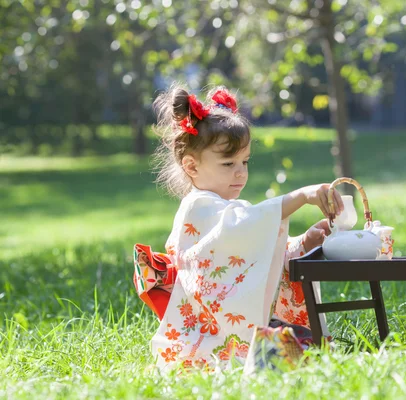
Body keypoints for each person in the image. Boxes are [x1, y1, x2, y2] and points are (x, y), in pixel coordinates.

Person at [132, 84, 343, 371]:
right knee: (286, 352)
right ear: (191, 166)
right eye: (228, 163)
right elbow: (243, 227)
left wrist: (303, 242)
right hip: (208, 334)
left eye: (245, 161)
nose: (241, 172)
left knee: (303, 345)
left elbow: (254, 250)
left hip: (236, 326)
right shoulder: (198, 207)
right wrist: (300, 196)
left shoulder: (222, 207)